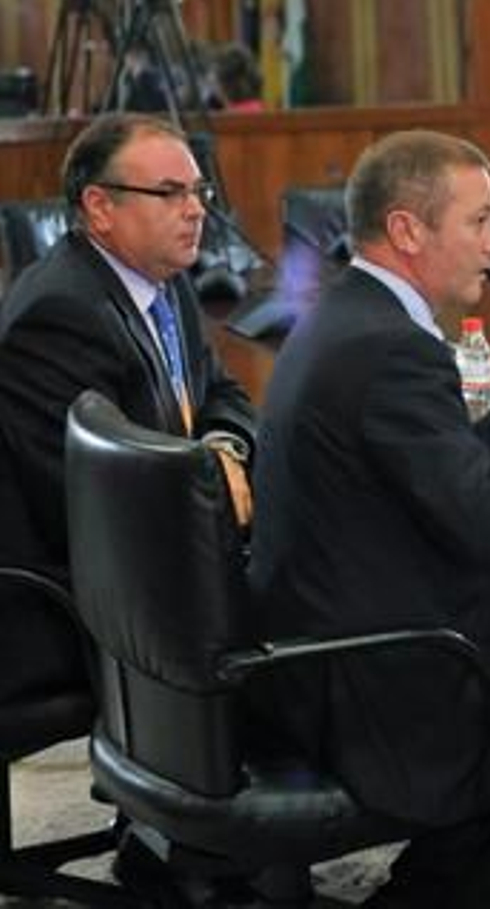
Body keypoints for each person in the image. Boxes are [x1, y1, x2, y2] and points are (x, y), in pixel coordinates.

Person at [247, 130, 490, 907]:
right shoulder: (393, 349)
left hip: (313, 645)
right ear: (409, 230)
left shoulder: (351, 315)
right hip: (382, 681)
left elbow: (437, 469)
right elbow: (486, 522)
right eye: (479, 221)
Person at [0, 112, 255, 703]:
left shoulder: (165, 281)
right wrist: (216, 485)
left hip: (154, 559)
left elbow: (223, 395)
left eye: (199, 191)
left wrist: (223, 447)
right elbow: (93, 501)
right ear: (99, 207)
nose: (195, 210)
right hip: (76, 602)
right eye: (170, 193)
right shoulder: (60, 315)